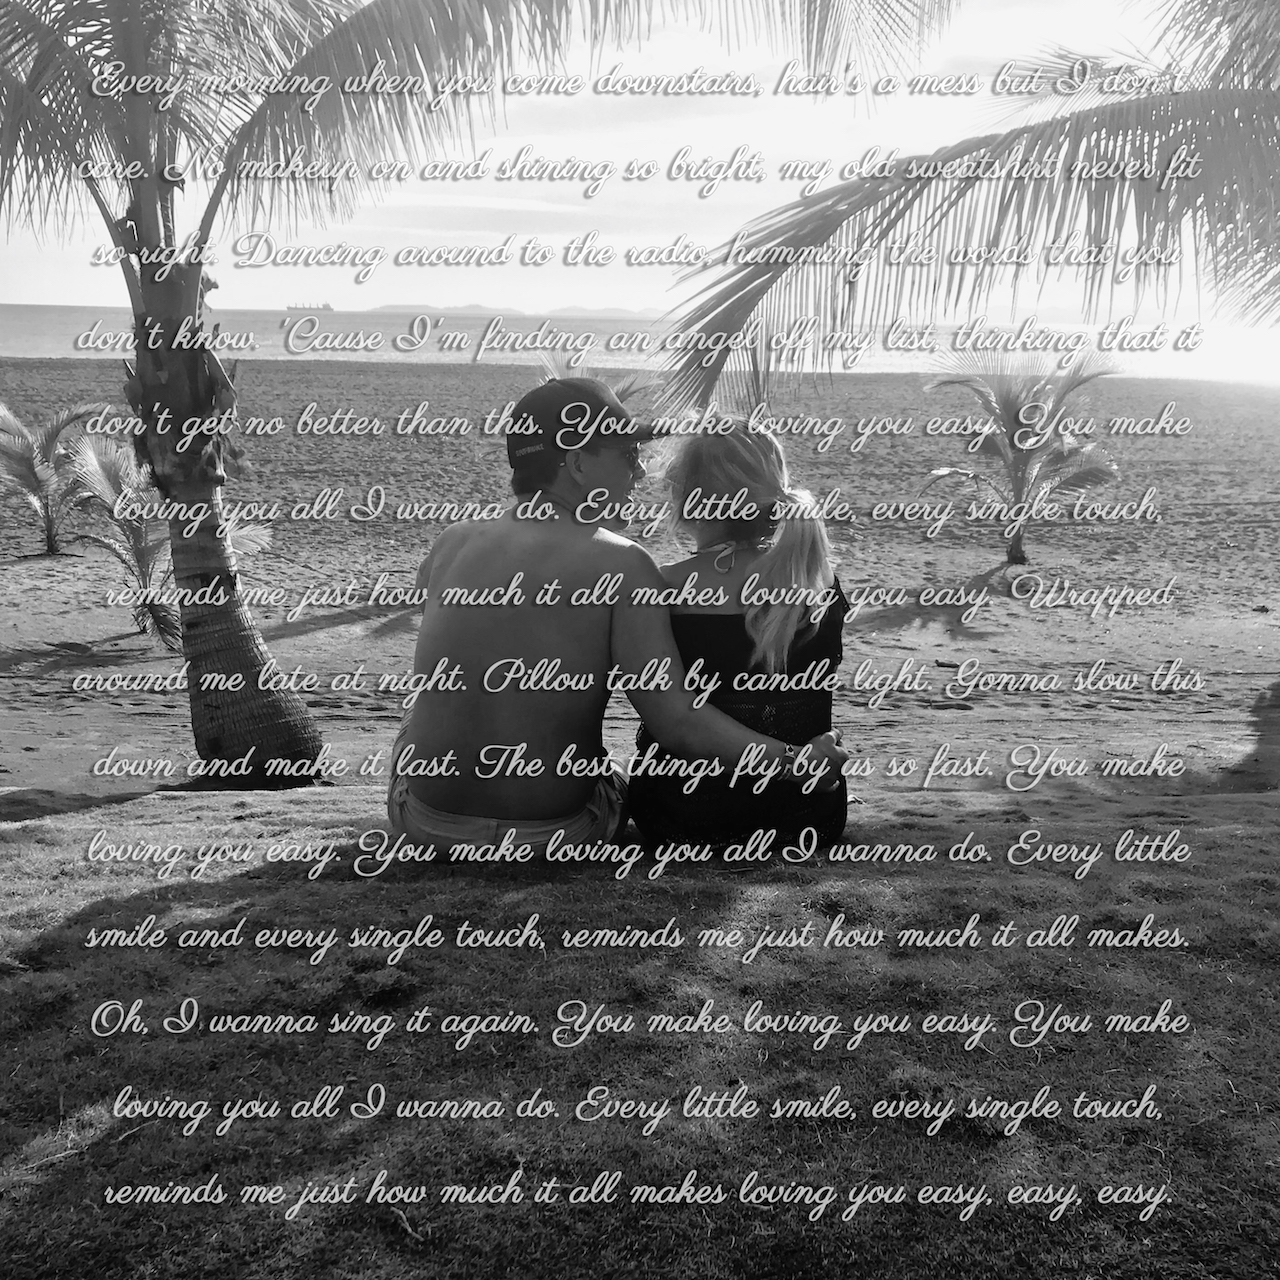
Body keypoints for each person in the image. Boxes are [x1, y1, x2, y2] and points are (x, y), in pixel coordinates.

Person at [386, 376, 848, 856]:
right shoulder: (624, 564)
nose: (641, 473)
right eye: (628, 455)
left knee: (427, 701)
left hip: (425, 824)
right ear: (578, 464)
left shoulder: (452, 541)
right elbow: (677, 722)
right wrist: (794, 761)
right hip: (556, 834)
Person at [627, 422, 849, 852]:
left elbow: (677, 723)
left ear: (687, 499)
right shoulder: (818, 581)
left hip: (683, 814)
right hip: (807, 814)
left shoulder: (665, 587)